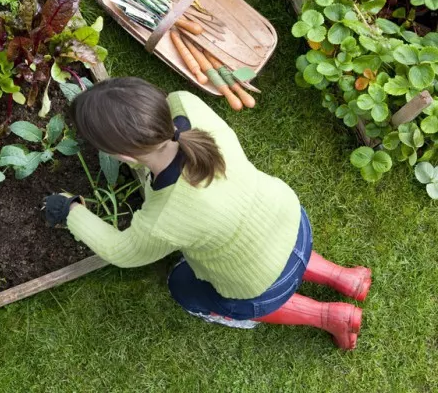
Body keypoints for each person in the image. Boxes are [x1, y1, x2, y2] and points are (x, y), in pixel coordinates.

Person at [43, 77, 371, 349]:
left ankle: (329, 316)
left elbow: (121, 251)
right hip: (290, 219)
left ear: (123, 155)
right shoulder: (186, 104)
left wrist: (70, 211)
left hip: (258, 282)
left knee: (182, 286)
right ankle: (345, 278)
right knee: (268, 246)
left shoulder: (164, 218)